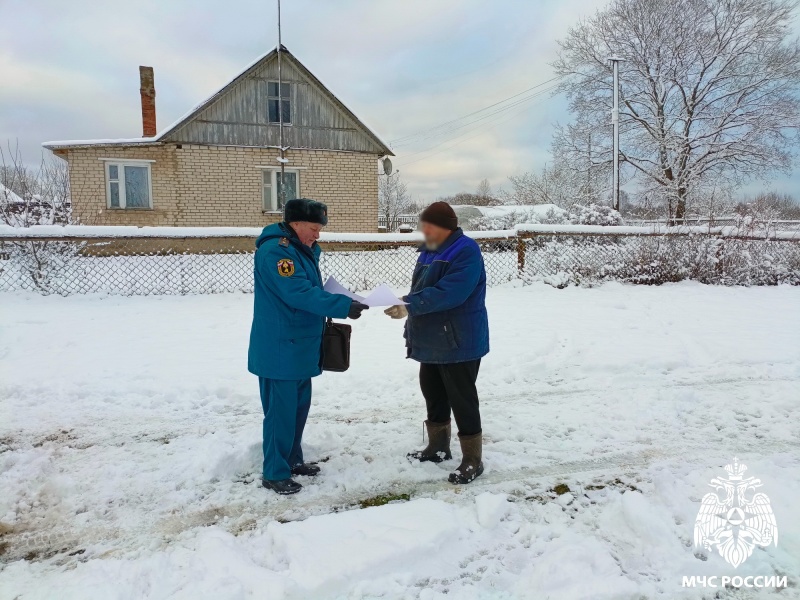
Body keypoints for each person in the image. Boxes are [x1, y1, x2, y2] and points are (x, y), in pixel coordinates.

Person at [248, 198, 368, 495]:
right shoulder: (277, 252)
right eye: (314, 228)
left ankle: (292, 460)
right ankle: (274, 472)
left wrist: (342, 297)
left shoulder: (301, 250)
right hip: (280, 349)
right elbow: (298, 293)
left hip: (299, 345)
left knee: (298, 409)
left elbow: (310, 289)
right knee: (280, 413)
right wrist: (341, 304)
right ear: (295, 224)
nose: (317, 235)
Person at [384, 201, 490, 484]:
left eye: (427, 226)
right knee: (433, 392)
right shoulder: (431, 250)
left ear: (443, 227)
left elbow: (451, 292)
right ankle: (438, 448)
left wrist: (409, 305)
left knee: (462, 398)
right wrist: (406, 303)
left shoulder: (466, 250)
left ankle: (472, 460)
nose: (423, 231)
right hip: (433, 338)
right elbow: (422, 289)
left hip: (458, 339)